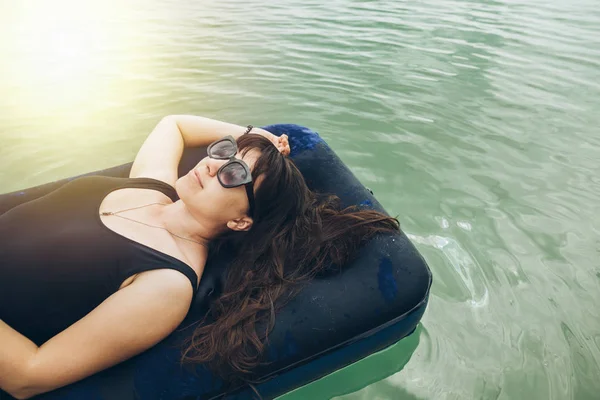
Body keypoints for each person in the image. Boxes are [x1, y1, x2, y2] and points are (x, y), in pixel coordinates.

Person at [0, 115, 399, 399]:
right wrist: (257, 135)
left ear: (242, 221)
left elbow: (30, 376)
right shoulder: (150, 188)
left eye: (235, 174)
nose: (212, 165)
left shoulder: (165, 284)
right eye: (224, 152)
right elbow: (174, 124)